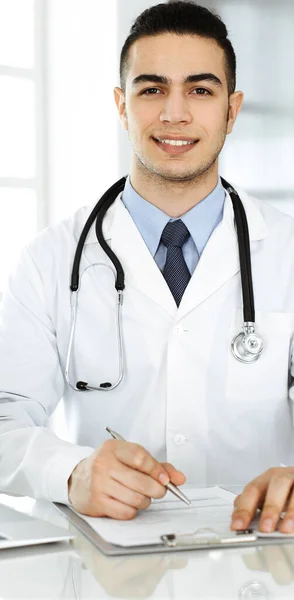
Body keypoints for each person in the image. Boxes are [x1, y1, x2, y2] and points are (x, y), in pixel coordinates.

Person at [0, 0, 294, 535]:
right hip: (104, 565)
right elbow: (4, 416)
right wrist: (70, 472)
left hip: (262, 554)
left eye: (201, 90)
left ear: (232, 109)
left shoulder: (288, 252)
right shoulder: (48, 259)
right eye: (151, 88)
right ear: (121, 105)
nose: (174, 114)